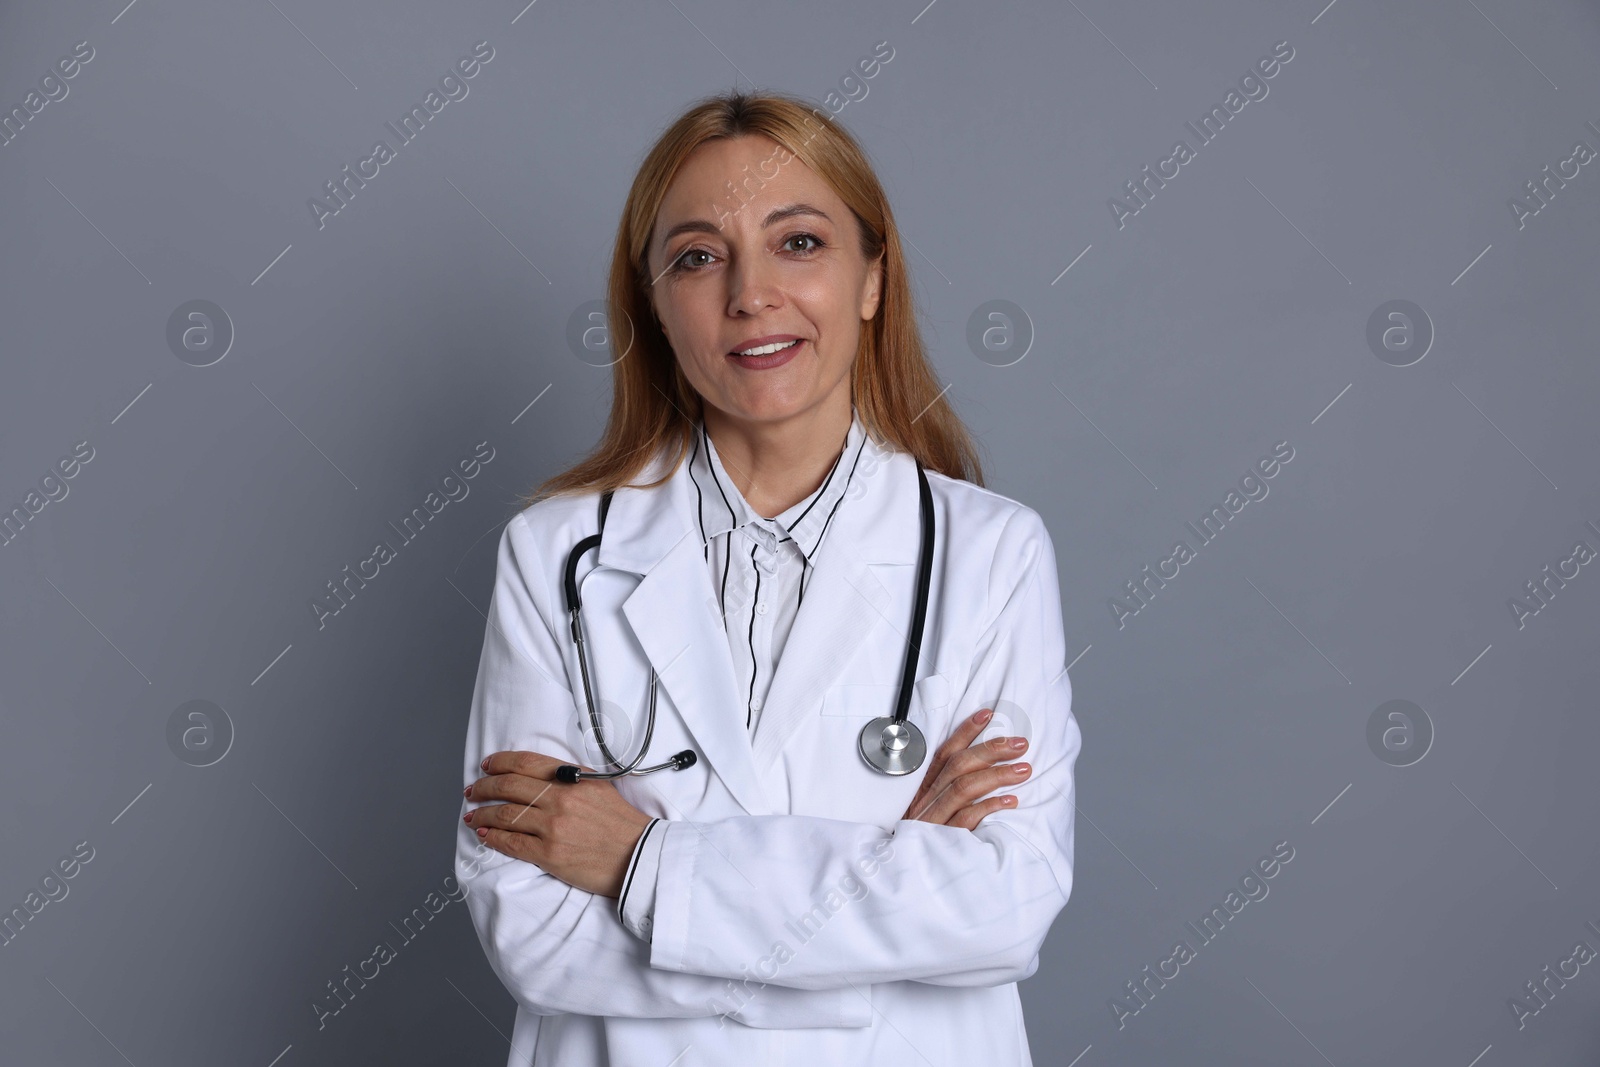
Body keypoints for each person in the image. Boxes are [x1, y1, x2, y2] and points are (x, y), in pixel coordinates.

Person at [456, 89, 1081, 1066]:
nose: (750, 294)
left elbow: (1004, 904)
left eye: (798, 242)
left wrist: (637, 858)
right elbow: (529, 929)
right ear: (655, 303)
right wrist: (879, 912)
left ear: (872, 276)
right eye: (698, 257)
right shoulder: (560, 554)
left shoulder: (990, 552)